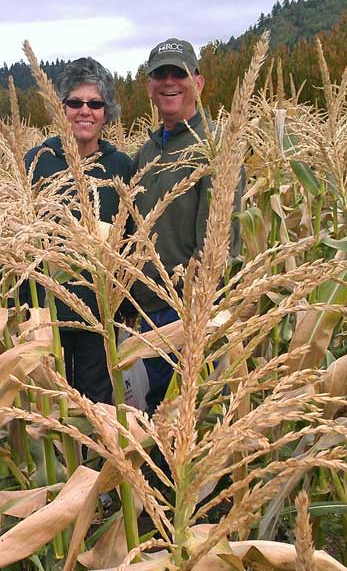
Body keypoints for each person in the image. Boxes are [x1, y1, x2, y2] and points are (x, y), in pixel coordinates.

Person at [132, 38, 244, 414]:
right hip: (147, 311)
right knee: (157, 414)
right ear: (149, 87)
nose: (168, 82)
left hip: (185, 315)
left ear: (198, 82)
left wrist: (192, 317)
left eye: (178, 73)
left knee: (190, 417)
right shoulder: (147, 153)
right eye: (159, 75)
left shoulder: (213, 148)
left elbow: (218, 245)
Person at [24, 57, 132, 404]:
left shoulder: (120, 166)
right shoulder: (37, 160)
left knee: (98, 401)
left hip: (98, 312)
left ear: (106, 111)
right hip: (46, 312)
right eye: (75, 103)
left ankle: (98, 459)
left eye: (95, 103)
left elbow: (129, 239)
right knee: (50, 403)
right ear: (62, 108)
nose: (85, 111)